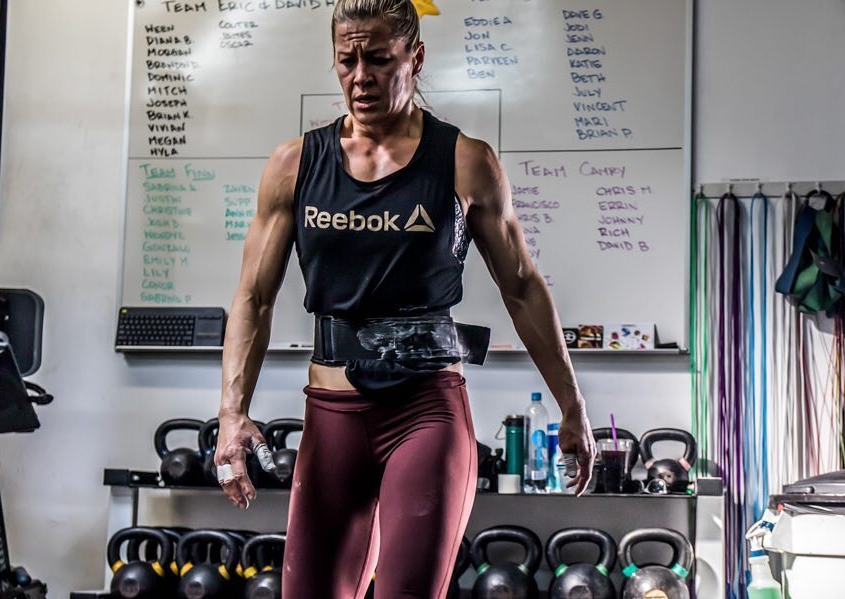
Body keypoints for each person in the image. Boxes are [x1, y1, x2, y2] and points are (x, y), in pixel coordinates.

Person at [213, 0, 596, 597]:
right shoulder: (295, 165)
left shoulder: (466, 163)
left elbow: (521, 286)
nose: (360, 76)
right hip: (332, 413)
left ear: (415, 58)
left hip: (426, 413)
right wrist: (233, 413)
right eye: (346, 61)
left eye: (379, 58)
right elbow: (254, 298)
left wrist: (571, 405)